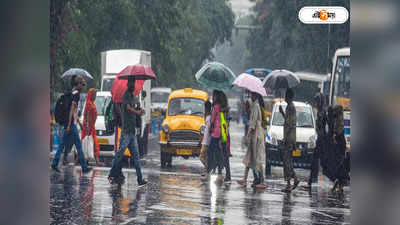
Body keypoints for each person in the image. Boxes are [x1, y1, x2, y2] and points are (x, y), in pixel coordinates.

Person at [108, 78, 148, 186]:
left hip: (132, 132)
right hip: (126, 132)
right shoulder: (125, 95)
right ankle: (111, 174)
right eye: (131, 83)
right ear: (128, 84)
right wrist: (137, 112)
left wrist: (140, 109)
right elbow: (127, 108)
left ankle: (140, 179)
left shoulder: (134, 97)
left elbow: (135, 107)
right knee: (120, 154)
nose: (132, 85)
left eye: (133, 83)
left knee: (136, 156)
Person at [51, 75, 93, 174]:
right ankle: (84, 167)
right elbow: (71, 110)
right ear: (77, 84)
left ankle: (55, 163)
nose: (83, 86)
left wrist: (77, 122)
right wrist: (70, 124)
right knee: (77, 145)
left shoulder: (72, 92)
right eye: (82, 84)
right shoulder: (76, 94)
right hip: (70, 124)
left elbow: (74, 112)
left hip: (70, 123)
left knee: (63, 145)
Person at [237, 92, 266, 189]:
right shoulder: (254, 106)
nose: (251, 97)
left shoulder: (256, 106)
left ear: (256, 96)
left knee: (257, 159)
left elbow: (253, 124)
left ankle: (262, 181)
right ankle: (244, 179)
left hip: (256, 136)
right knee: (249, 158)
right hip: (254, 135)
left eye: (252, 95)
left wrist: (247, 136)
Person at [305, 93, 327, 189]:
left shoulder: (322, 112)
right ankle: (310, 181)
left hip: (321, 140)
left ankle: (311, 181)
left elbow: (321, 127)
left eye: (317, 101)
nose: (315, 103)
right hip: (321, 138)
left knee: (318, 161)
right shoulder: (320, 111)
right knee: (318, 161)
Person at [279, 88, 299, 192]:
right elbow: (287, 120)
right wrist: (282, 113)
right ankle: (288, 184)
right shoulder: (289, 107)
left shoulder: (291, 107)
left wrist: (285, 137)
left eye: (286, 95)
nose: (285, 97)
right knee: (286, 161)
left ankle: (294, 179)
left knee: (287, 161)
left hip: (289, 139)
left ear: (289, 97)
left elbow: (290, 124)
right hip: (289, 138)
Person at [81, 88, 103, 167]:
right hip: (88, 127)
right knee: (86, 143)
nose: (95, 97)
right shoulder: (89, 104)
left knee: (88, 143)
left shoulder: (91, 103)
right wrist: (87, 127)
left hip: (90, 127)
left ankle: (84, 160)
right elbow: (87, 115)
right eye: (94, 95)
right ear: (91, 95)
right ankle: (84, 160)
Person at [206, 90, 225, 181]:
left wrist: (210, 128)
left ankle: (208, 172)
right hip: (219, 132)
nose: (212, 97)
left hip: (215, 133)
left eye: (213, 95)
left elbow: (212, 120)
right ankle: (218, 173)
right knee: (217, 152)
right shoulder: (221, 107)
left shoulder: (216, 107)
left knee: (210, 152)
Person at [219, 91, 231, 182]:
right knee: (225, 155)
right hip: (225, 134)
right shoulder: (226, 110)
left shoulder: (222, 111)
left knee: (221, 154)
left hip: (221, 134)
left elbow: (222, 123)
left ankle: (222, 174)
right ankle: (227, 175)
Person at [200, 101, 212, 177]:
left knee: (201, 156)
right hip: (205, 139)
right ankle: (207, 171)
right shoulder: (207, 116)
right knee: (206, 157)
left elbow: (209, 128)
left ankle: (208, 169)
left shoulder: (210, 117)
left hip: (207, 140)